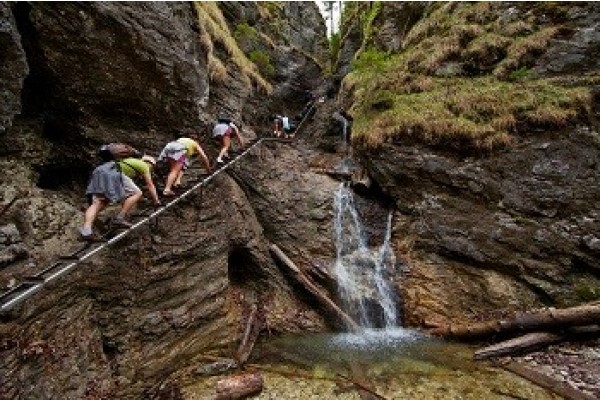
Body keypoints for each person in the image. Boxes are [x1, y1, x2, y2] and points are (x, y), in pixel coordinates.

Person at [79, 158, 144, 241]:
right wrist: (157, 201)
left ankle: (86, 231)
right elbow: (150, 184)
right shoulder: (144, 166)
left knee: (98, 203)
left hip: (98, 172)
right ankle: (119, 217)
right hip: (112, 172)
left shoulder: (129, 162)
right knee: (137, 193)